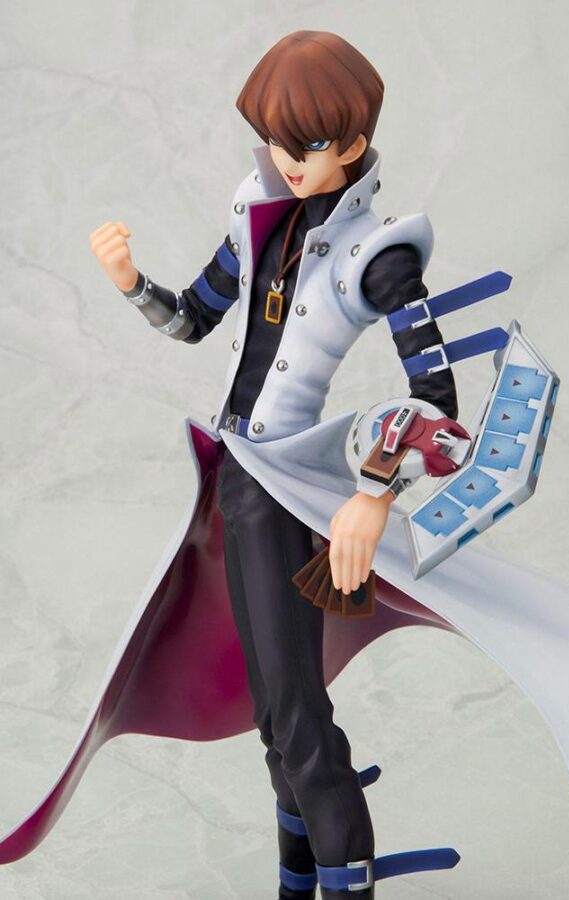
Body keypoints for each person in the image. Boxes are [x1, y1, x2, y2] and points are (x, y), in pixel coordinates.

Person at [89, 30, 462, 899]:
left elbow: (439, 407)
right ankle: (300, 880)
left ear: (354, 144)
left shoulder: (381, 253)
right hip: (233, 481)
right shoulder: (259, 212)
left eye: (310, 143)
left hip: (290, 490)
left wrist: (374, 491)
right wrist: (132, 282)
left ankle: (345, 879)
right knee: (272, 717)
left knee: (297, 719)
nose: (288, 160)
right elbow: (195, 317)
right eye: (274, 140)